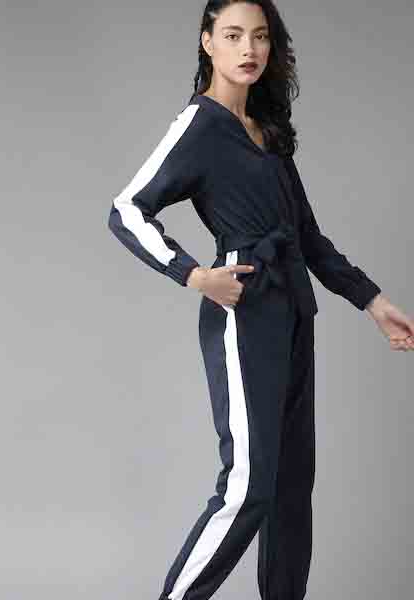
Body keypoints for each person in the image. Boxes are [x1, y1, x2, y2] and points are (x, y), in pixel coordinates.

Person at [106, 1, 414, 599]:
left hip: (294, 311)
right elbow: (126, 209)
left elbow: (307, 236)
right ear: (207, 42)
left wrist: (373, 302)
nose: (248, 49)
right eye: (233, 35)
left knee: (292, 487)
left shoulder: (269, 131)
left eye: (260, 36)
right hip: (244, 314)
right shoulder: (198, 126)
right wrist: (194, 274)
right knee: (249, 486)